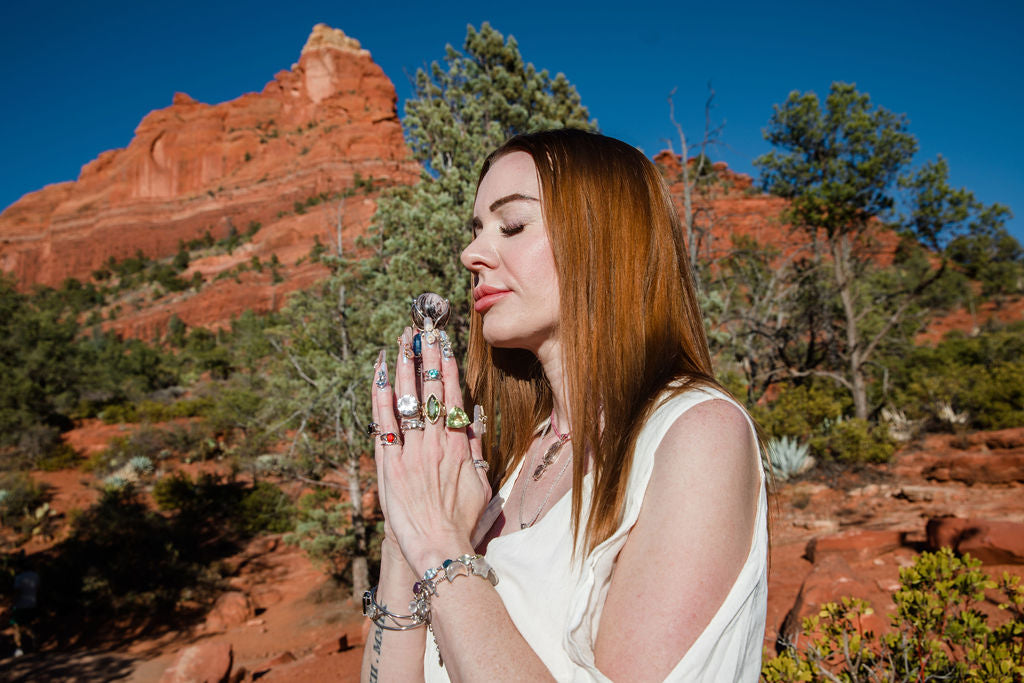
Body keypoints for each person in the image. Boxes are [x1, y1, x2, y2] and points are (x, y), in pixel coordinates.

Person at [361, 128, 767, 682]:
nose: (471, 254)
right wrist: (405, 526)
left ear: (605, 239)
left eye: (512, 225)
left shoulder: (697, 435)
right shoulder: (505, 463)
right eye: (476, 231)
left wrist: (440, 549)